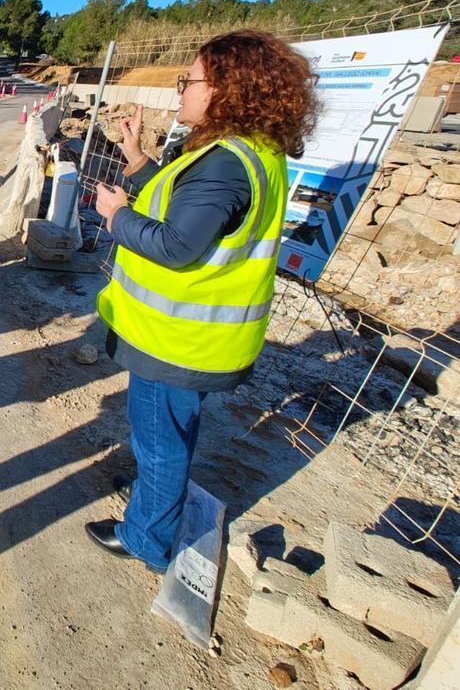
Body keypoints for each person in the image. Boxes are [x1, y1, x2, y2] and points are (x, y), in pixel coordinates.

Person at [86, 29, 317, 573]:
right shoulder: (248, 152)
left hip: (178, 341)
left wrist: (117, 215)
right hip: (201, 337)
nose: (181, 88)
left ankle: (146, 536)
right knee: (169, 433)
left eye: (189, 80)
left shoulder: (223, 163)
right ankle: (154, 497)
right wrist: (137, 157)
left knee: (161, 438)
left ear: (225, 90)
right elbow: (185, 208)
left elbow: (176, 243)